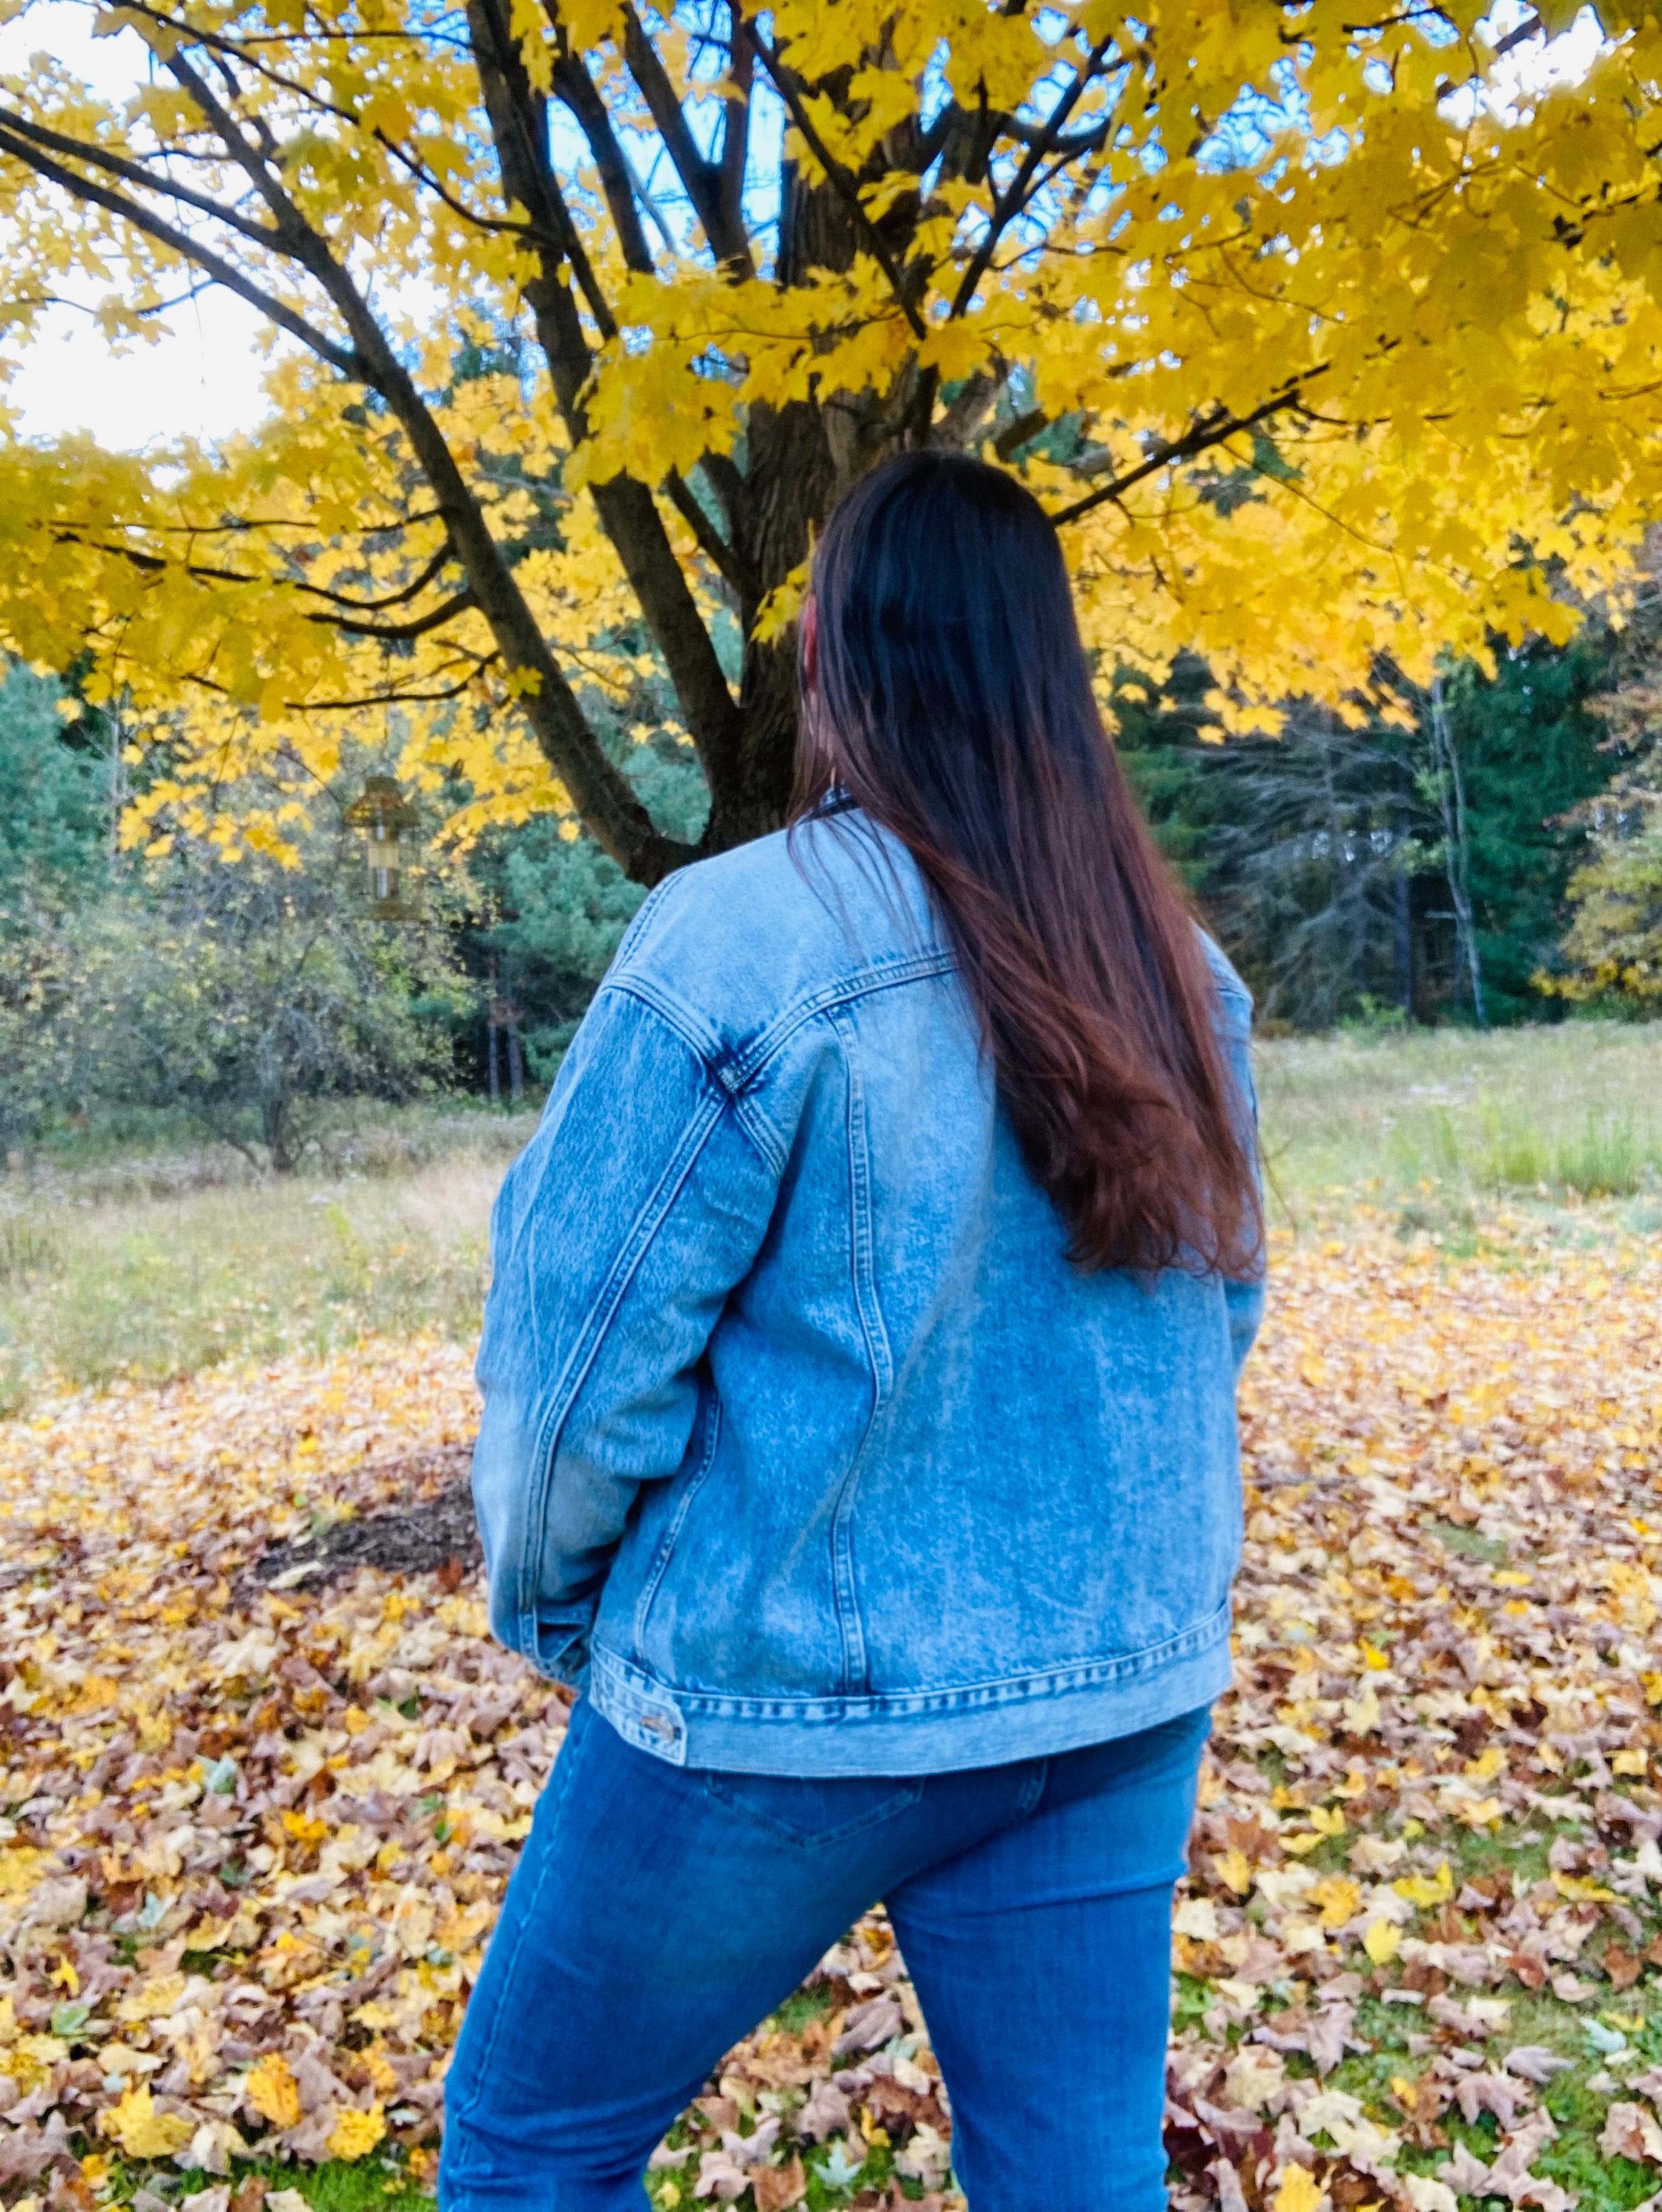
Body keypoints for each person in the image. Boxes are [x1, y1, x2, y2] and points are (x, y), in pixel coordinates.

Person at [439, 451, 1265, 2212]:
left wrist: (568, 1610)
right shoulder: (1174, 968)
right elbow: (1217, 1315)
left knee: (534, 2144)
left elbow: (574, 1367)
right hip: (1113, 1675)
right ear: (1051, 675)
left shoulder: (737, 939)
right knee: (1076, 2180)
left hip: (774, 1689)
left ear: (823, 655)